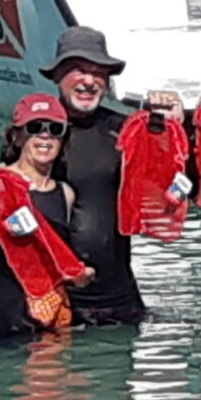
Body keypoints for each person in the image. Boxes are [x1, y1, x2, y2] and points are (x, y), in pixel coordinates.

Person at [0, 93, 90, 339]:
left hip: (50, 328)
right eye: (35, 127)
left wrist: (81, 276)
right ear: (17, 136)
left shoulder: (65, 194)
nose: (45, 135)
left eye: (55, 128)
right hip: (0, 327)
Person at [43, 26, 147, 325]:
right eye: (78, 70)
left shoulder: (126, 130)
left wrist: (168, 128)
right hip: (57, 305)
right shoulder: (36, 132)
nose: (89, 81)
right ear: (57, 75)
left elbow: (179, 184)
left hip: (121, 301)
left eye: (98, 72)